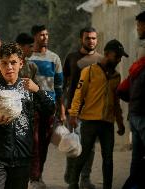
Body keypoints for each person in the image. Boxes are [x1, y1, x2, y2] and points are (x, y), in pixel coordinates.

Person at [0, 43, 55, 189]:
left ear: (21, 63)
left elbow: (50, 109)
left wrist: (38, 90)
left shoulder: (30, 88)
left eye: (13, 62)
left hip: (22, 157)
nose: (9, 67)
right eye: (4, 63)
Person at [68, 39, 127, 189]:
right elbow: (78, 95)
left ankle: (108, 186)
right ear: (107, 54)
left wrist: (120, 123)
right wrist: (73, 115)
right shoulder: (89, 71)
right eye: (117, 56)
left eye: (121, 57)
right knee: (84, 154)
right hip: (89, 121)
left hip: (107, 123)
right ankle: (73, 183)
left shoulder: (116, 77)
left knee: (108, 159)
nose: (119, 59)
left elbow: (116, 103)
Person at [62, 27, 102, 189]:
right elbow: (63, 84)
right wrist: (62, 108)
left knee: (90, 146)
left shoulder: (101, 60)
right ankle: (71, 172)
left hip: (93, 111)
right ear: (81, 39)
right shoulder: (72, 58)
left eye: (93, 38)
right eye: (87, 38)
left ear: (96, 40)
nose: (91, 41)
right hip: (73, 109)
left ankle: (85, 178)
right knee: (74, 144)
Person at [28, 24, 64, 188]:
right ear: (35, 36)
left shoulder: (54, 58)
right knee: (34, 142)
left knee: (43, 143)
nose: (45, 38)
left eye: (47, 35)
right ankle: (33, 178)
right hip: (32, 105)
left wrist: (61, 109)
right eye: (42, 35)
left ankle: (38, 175)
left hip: (49, 107)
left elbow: (59, 86)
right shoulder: (27, 57)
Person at [118, 11, 145, 189]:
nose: (138, 28)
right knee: (136, 156)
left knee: (137, 156)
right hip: (138, 111)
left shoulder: (141, 50)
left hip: (138, 111)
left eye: (140, 25)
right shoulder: (141, 48)